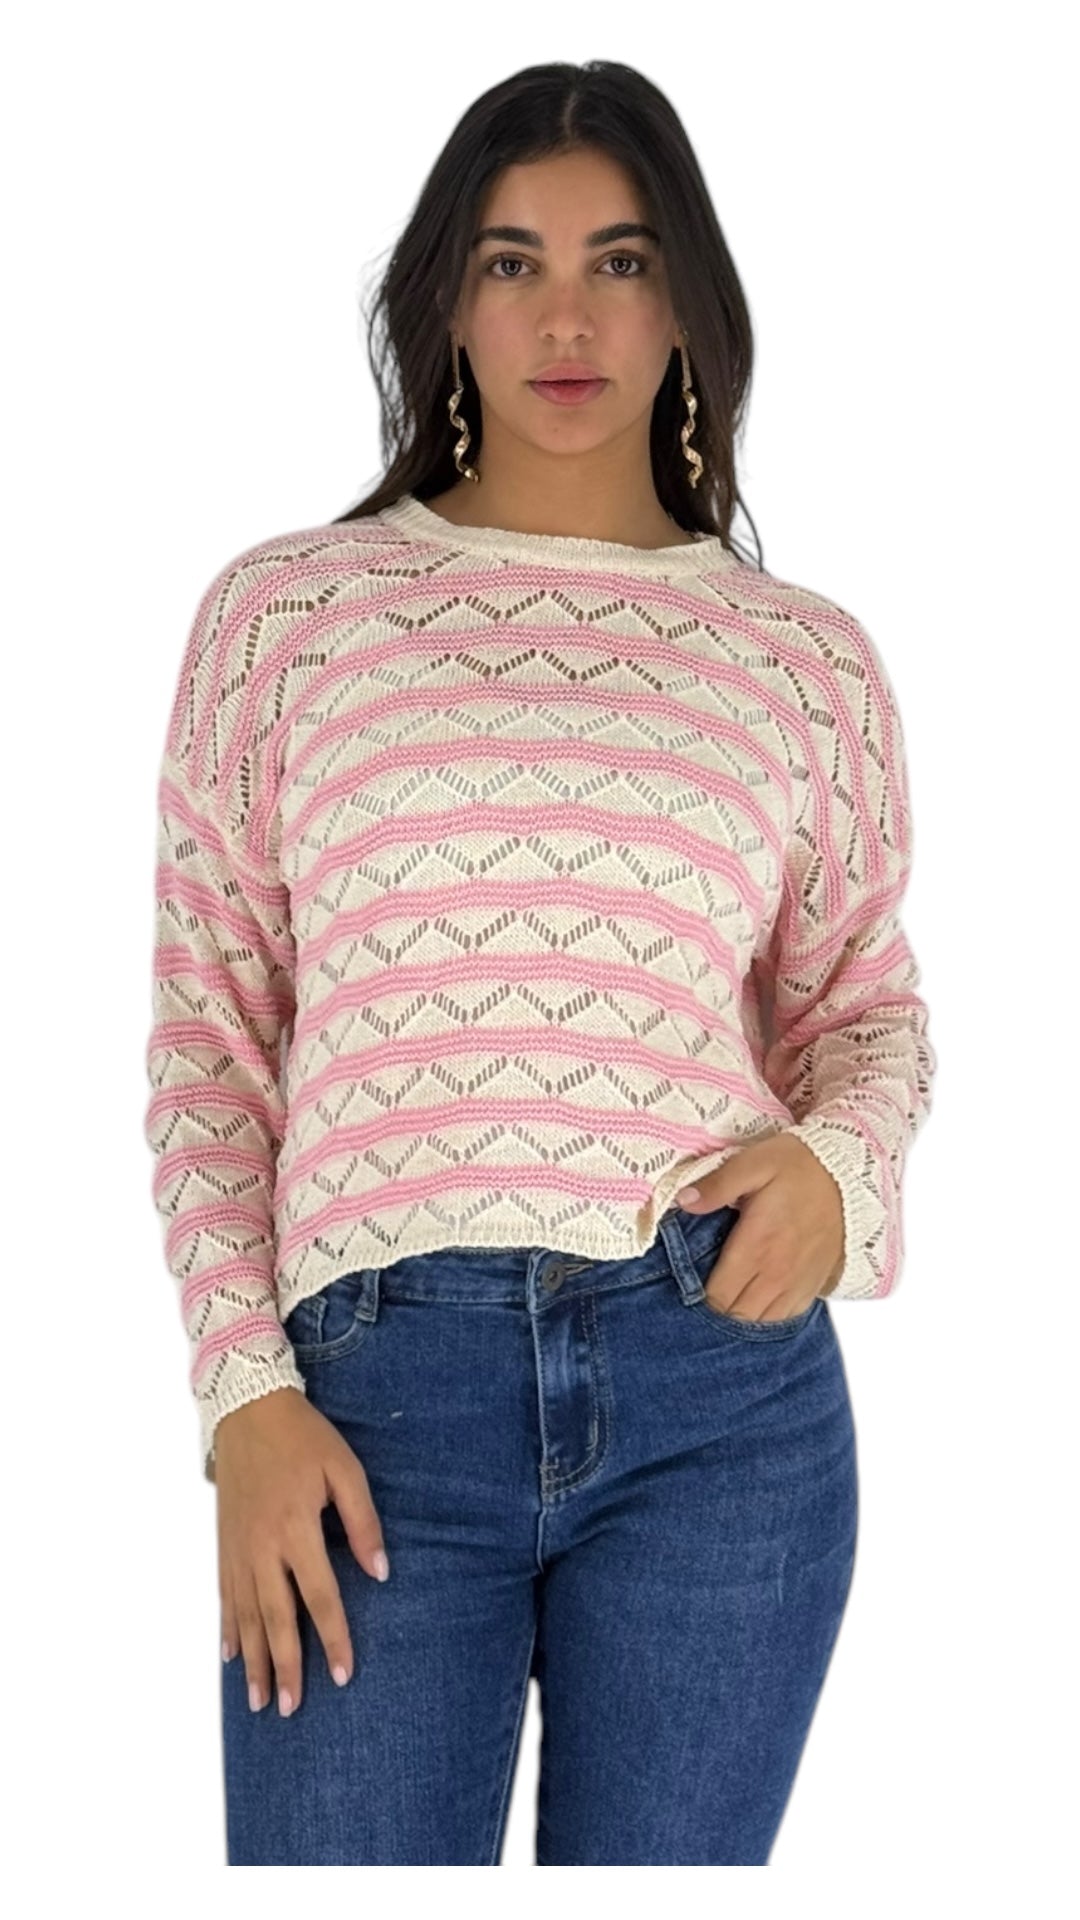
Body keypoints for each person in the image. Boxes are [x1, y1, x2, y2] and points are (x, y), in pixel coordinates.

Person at [143, 60, 937, 1865]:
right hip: (365, 1413)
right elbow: (209, 1039)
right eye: (511, 262)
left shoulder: (804, 661)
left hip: (718, 1398)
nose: (566, 316)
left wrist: (840, 1166)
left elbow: (864, 1011)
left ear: (688, 299)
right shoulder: (288, 617)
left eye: (619, 260)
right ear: (445, 297)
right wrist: (243, 1395)